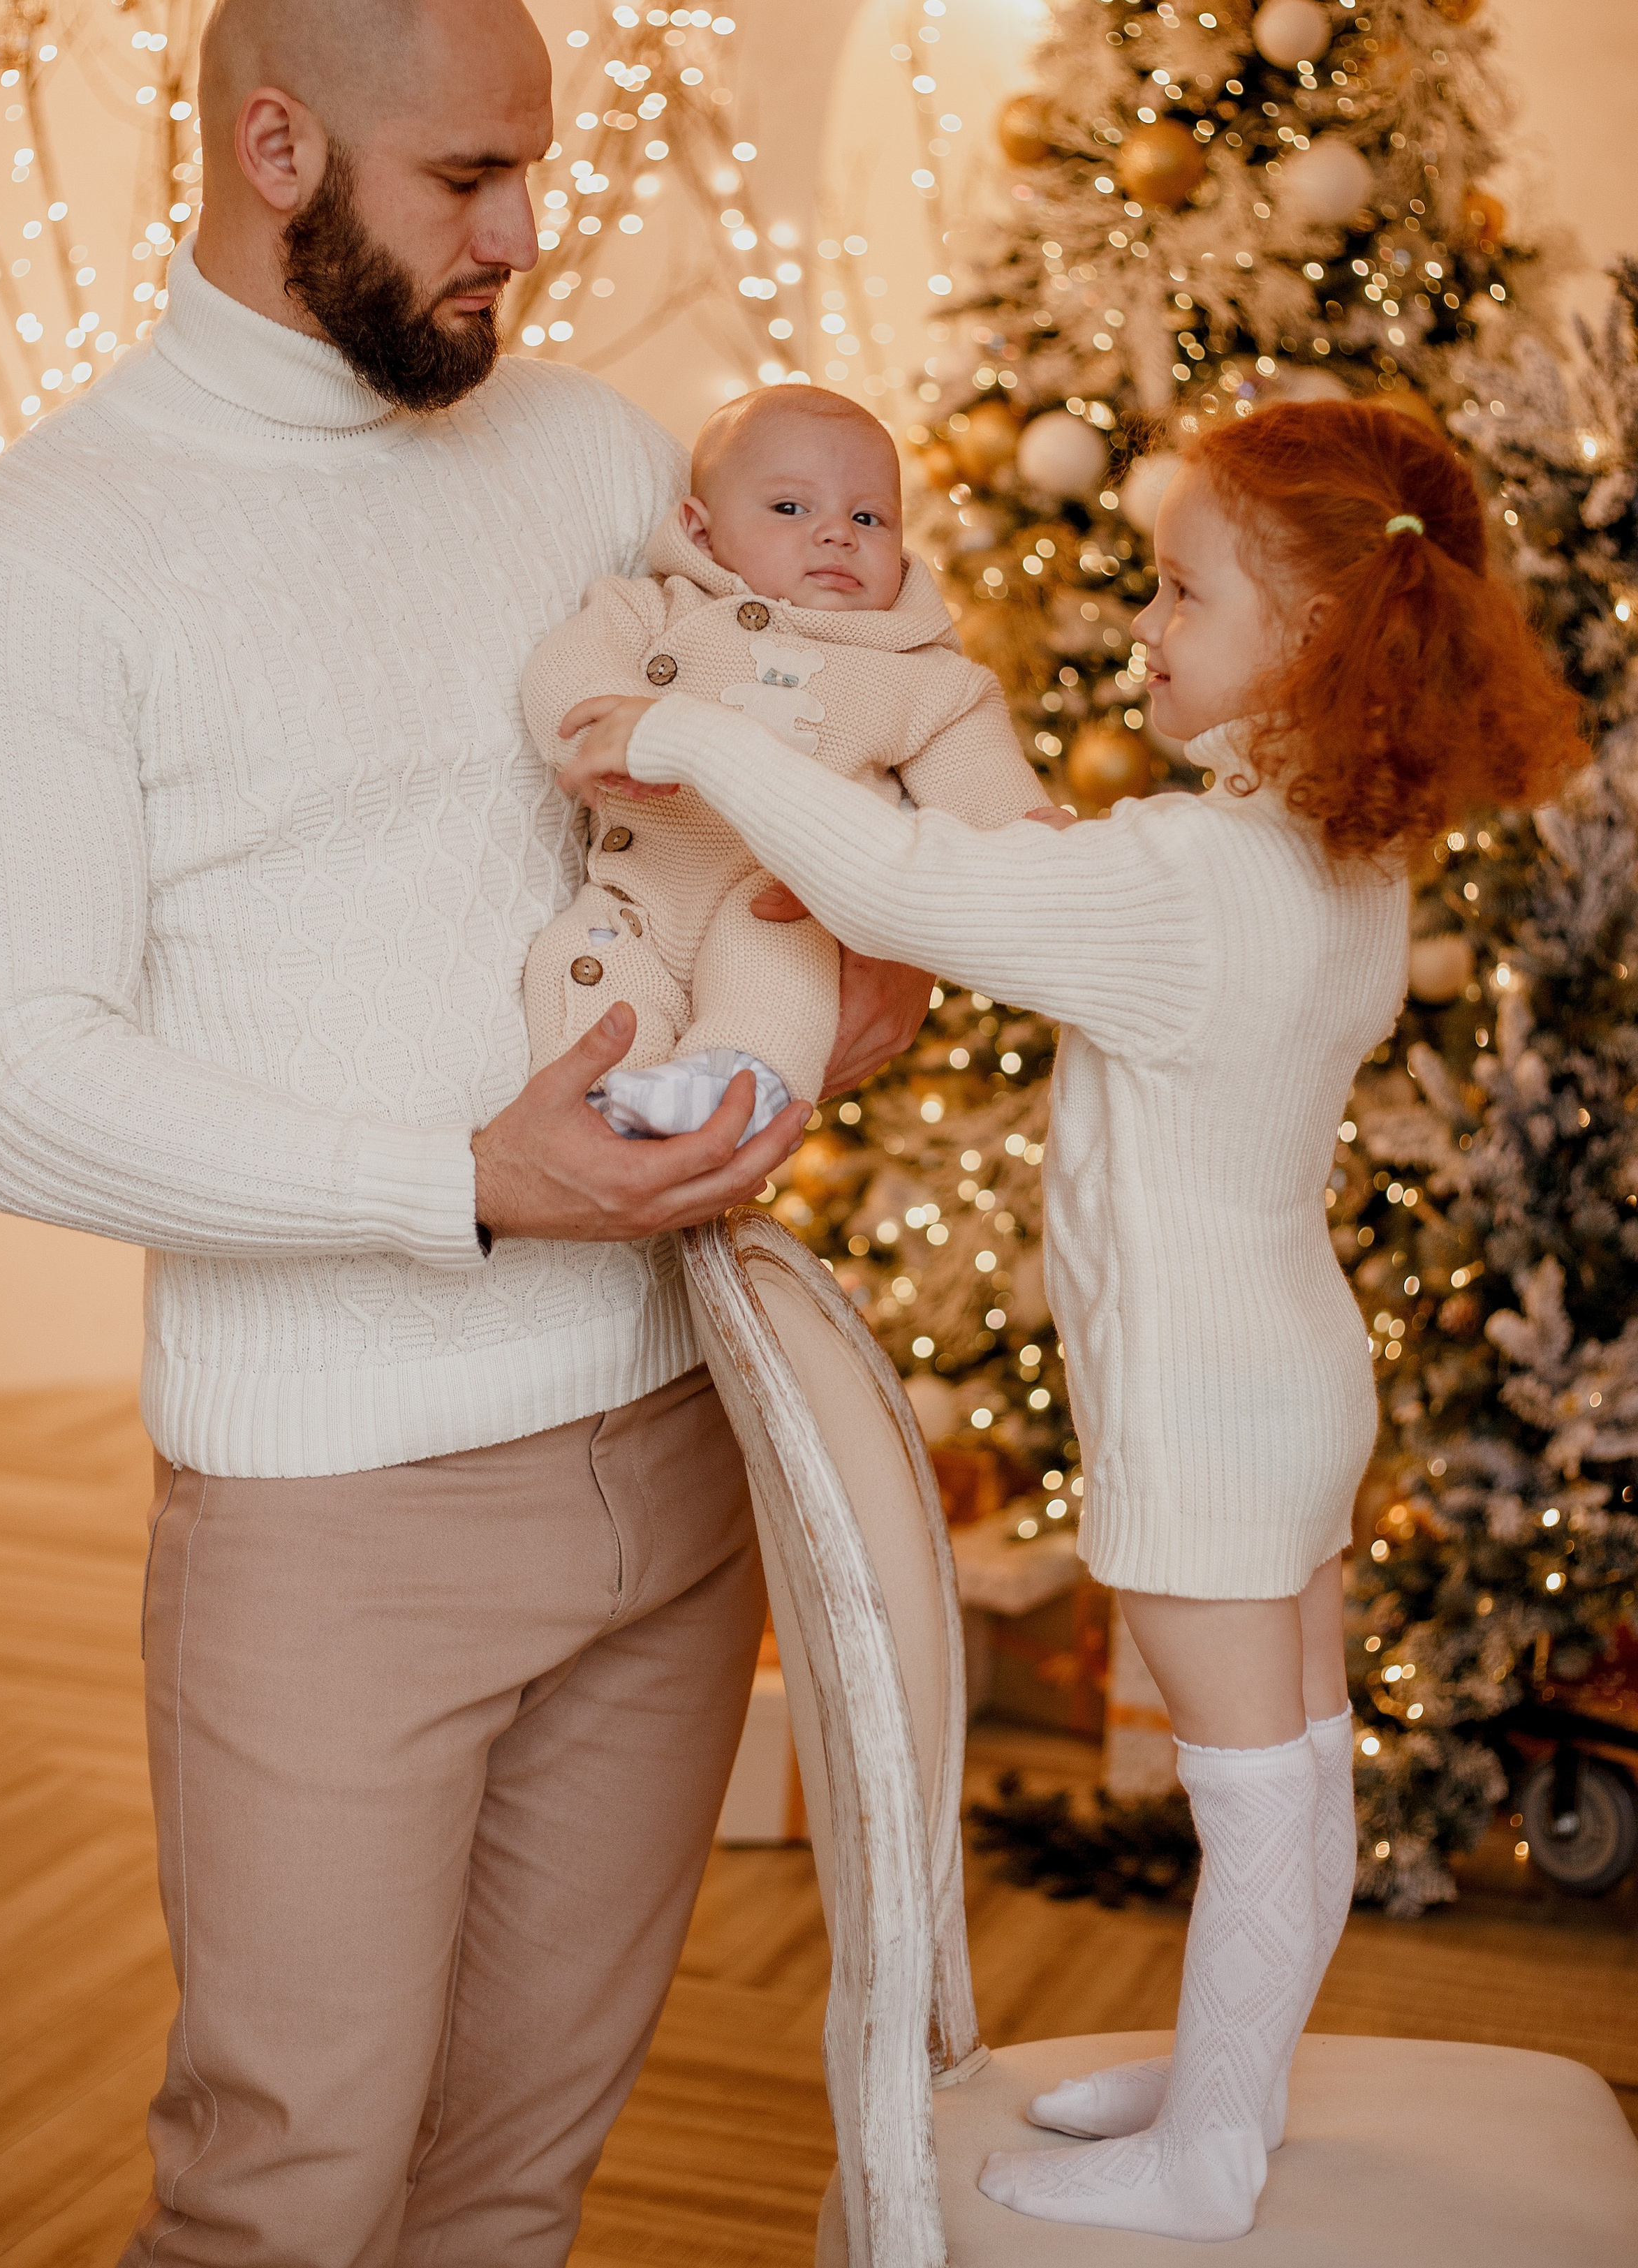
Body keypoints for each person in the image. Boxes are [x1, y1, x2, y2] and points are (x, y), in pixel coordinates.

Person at [0, 0, 930, 2267]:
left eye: (533, 171)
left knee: (512, 2187)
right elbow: (19, 1090)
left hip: (684, 1442)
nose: (523, 237)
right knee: (289, 2196)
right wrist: (465, 1182)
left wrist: (853, 963)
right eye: (470, 176)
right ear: (278, 148)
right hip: (334, 1525)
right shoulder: (26, 573)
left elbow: (762, 789)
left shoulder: (598, 456)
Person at [556, 399, 1588, 2244]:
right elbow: (1052, 894)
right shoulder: (1330, 860)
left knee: (1255, 1796)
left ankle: (1208, 2158)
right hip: (1289, 1378)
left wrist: (685, 721)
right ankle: (1226, 2087)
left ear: (1316, 643)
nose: (1147, 629)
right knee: (1292, 1765)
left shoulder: (1200, 885)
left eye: (1185, 593)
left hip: (1209, 1414)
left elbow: (910, 888)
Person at [522, 383, 1046, 1142]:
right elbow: (567, 664)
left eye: (867, 518)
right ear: (702, 535)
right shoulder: (655, 608)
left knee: (777, 955)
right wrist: (609, 728)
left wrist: (1029, 836)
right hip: (636, 897)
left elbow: (982, 783)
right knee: (579, 955)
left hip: (779, 896)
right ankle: (602, 1102)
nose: (837, 535)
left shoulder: (921, 674)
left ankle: (738, 1084)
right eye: (791, 509)